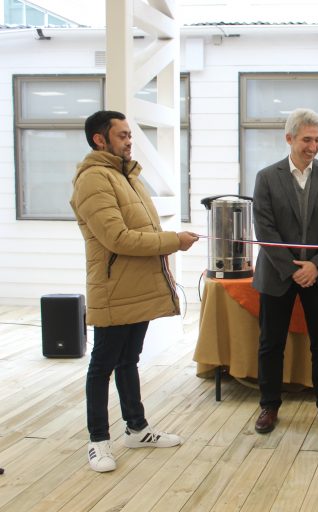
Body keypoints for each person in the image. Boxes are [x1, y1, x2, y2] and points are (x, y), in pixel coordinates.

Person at [70, 110, 199, 473]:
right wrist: (174, 241)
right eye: (123, 135)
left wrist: (169, 242)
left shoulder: (127, 176)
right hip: (114, 289)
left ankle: (136, 428)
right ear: (100, 139)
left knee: (129, 360)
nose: (129, 140)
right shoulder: (93, 180)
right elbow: (118, 238)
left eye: (130, 135)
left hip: (137, 286)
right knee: (102, 365)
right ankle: (97, 442)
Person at [251, 108, 318, 434]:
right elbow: (264, 230)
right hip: (278, 275)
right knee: (270, 344)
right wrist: (293, 269)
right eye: (307, 139)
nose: (313, 146)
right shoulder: (266, 177)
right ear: (289, 138)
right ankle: (268, 406)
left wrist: (316, 266)